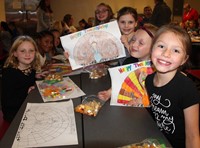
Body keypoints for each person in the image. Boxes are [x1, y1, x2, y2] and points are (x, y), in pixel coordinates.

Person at [145, 24, 200, 148]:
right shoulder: (148, 80)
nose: (166, 54)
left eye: (176, 50)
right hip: (158, 141)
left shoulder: (187, 89)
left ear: (184, 60)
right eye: (161, 46)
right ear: (152, 49)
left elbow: (193, 135)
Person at [98, 24, 158, 101]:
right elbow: (122, 80)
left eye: (141, 43)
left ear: (153, 48)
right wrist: (110, 92)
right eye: (133, 39)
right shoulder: (129, 62)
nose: (134, 44)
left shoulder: (155, 71)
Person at [1, 36, 42, 123]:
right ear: (15, 53)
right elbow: (8, 102)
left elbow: (25, 81)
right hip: (15, 115)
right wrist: (26, 92)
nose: (28, 54)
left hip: (28, 106)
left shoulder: (31, 69)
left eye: (31, 50)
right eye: (22, 51)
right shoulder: (9, 74)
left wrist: (35, 76)